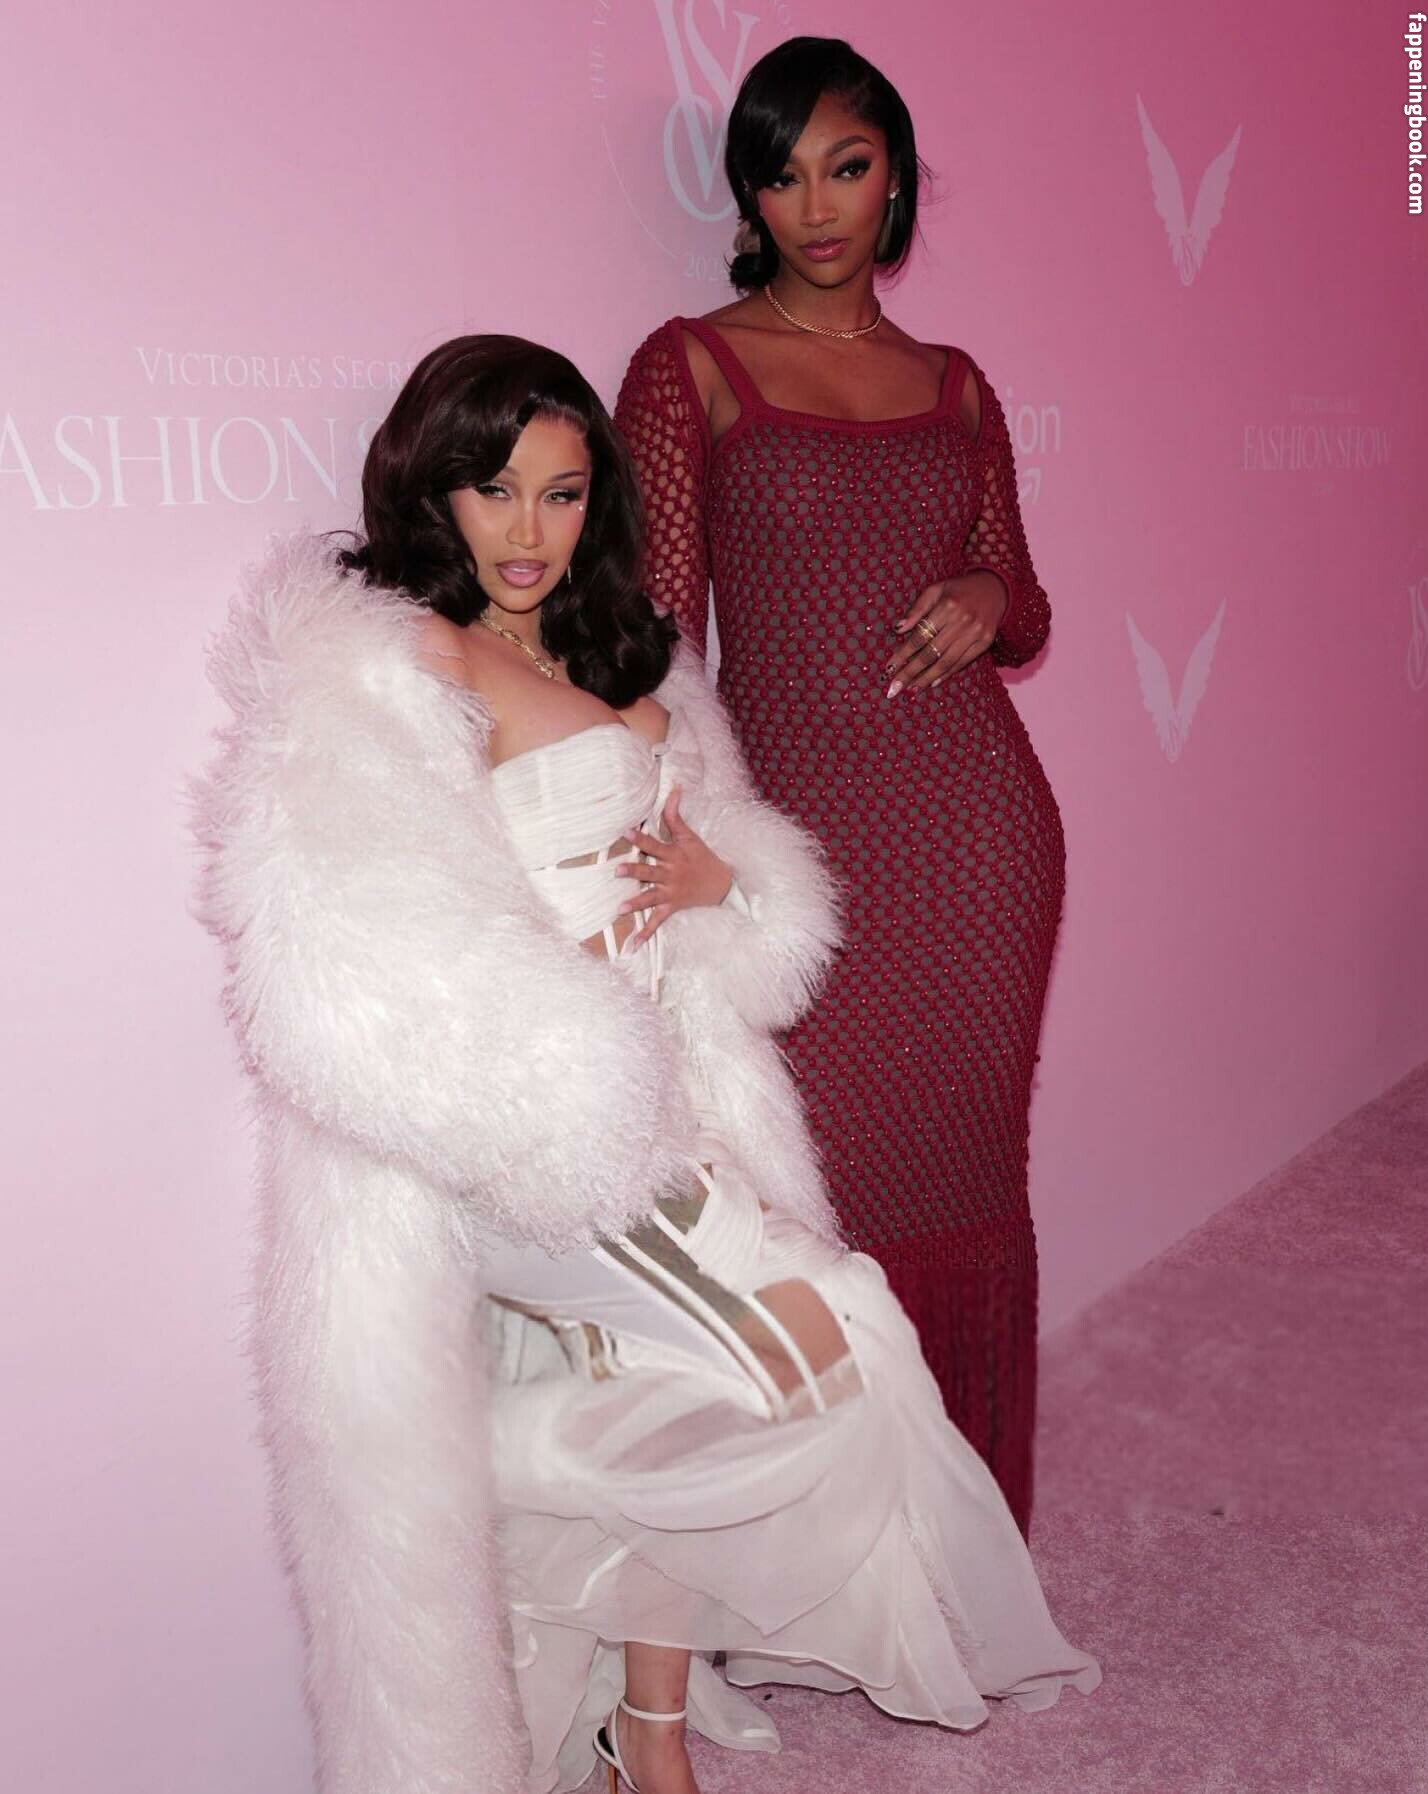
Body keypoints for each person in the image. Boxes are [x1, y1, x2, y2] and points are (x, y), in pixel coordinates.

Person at [192, 335, 1096, 1794]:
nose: (529, 531)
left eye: (561, 494)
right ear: (433, 488)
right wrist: (575, 1089)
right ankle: (481, 1469)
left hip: (667, 1101)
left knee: (709, 1390)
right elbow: (348, 962)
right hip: (534, 1133)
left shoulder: (629, 652)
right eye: (495, 489)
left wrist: (722, 888)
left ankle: (646, 1740)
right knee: (825, 1347)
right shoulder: (390, 659)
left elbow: (748, 907)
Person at [615, 36, 1061, 1536]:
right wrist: (684, 830)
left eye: (847, 167)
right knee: (811, 1194)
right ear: (748, 196)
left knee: (968, 1175)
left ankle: (955, 1532)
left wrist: (987, 590)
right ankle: (823, 1543)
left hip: (977, 838)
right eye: (782, 173)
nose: (816, 206)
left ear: (896, 180)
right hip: (796, 855)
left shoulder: (956, 386)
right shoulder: (690, 367)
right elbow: (659, 638)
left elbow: (1027, 604)